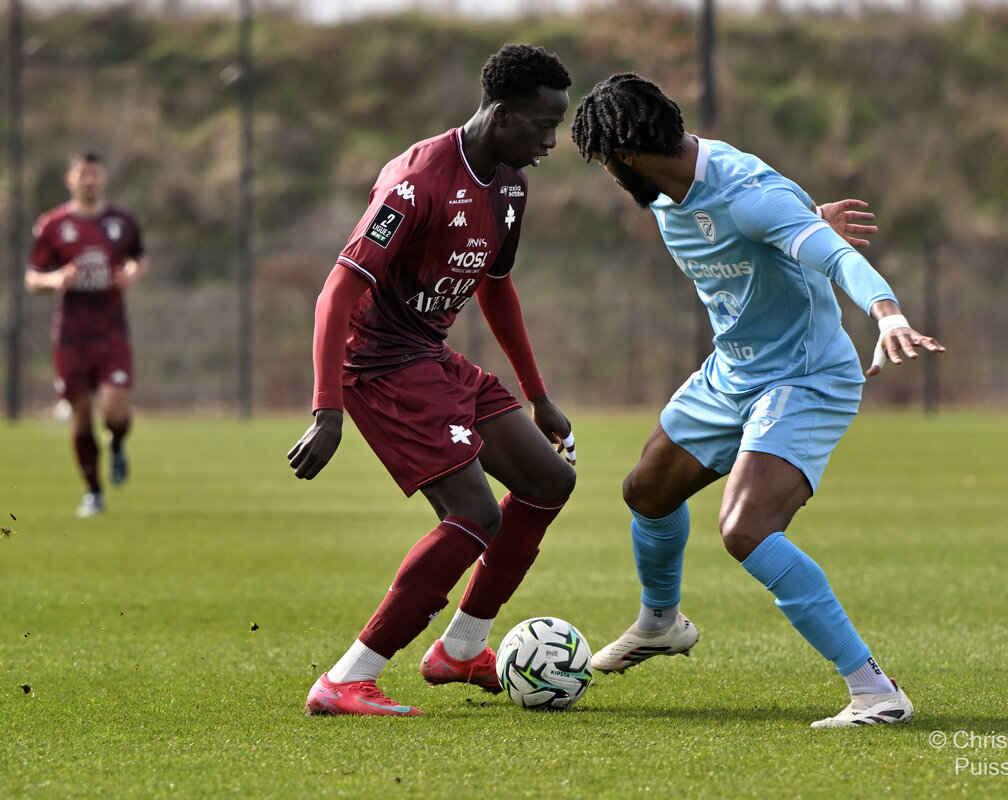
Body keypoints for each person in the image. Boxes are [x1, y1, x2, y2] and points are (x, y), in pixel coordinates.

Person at [570, 73, 944, 728]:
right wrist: (808, 218)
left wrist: (887, 316)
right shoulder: (673, 191)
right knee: (647, 492)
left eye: (603, 160)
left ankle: (875, 692)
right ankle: (660, 622)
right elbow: (783, 229)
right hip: (733, 371)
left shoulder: (746, 193)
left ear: (625, 155)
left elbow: (836, 259)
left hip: (804, 377)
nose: (606, 173)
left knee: (746, 529)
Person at [288, 44, 577, 717]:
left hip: (428, 353)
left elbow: (496, 286)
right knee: (474, 513)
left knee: (548, 481)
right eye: (543, 125)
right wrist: (326, 409)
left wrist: (537, 395)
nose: (550, 141)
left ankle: (460, 648)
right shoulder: (416, 181)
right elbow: (336, 292)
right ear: (502, 115)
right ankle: (346, 679)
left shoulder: (510, 186)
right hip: (378, 363)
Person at [25, 150, 148, 518]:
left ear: (104, 178)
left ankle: (118, 443)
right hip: (71, 335)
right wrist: (55, 279)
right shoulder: (52, 225)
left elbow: (139, 258)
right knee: (81, 416)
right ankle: (94, 491)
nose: (89, 180)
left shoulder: (123, 221)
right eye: (83, 174)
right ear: (70, 180)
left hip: (111, 331)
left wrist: (133, 273)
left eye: (95, 174)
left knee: (113, 411)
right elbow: (32, 278)